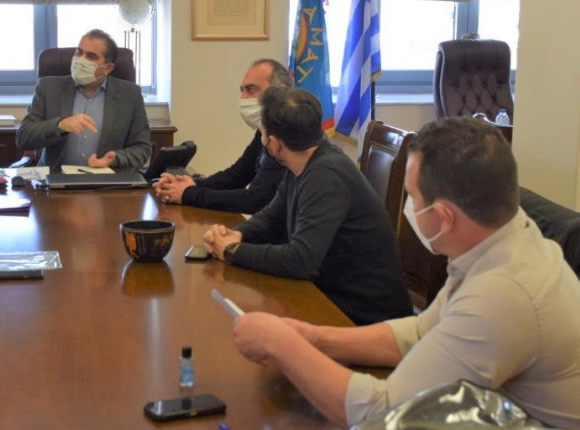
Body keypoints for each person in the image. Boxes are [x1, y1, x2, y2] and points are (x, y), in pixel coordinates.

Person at [230, 117, 580, 429]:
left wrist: (280, 343)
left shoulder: (502, 294)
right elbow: (423, 330)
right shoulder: (504, 237)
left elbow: (383, 413)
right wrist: (317, 339)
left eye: (412, 197)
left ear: (443, 217)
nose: (409, 208)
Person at [203, 87, 412, 325]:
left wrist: (233, 251)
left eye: (262, 133)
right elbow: (272, 217)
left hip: (365, 318)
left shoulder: (325, 176)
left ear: (274, 144)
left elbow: (300, 261)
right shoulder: (303, 161)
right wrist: (236, 234)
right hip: (332, 298)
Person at [154, 59, 291, 213]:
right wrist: (190, 185)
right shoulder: (266, 129)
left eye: (251, 89)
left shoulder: (288, 136)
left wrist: (188, 194)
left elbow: (255, 200)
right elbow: (237, 176)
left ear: (280, 93)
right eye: (242, 90)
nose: (243, 98)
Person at [16, 29, 151, 168]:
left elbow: (142, 149)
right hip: (55, 177)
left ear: (108, 68)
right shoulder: (48, 87)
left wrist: (115, 159)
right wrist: (60, 125)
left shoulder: (130, 94)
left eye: (91, 56)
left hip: (105, 178)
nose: (81, 60)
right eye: (79, 52)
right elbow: (23, 138)